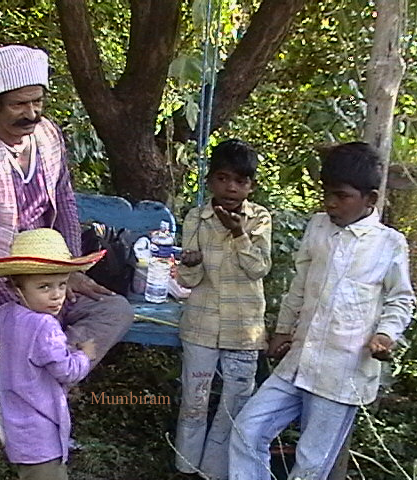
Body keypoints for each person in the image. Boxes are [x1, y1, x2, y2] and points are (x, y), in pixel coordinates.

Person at [228, 142, 415, 480]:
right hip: (299, 361)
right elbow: (300, 284)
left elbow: (401, 299)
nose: (330, 203)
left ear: (370, 199)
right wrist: (284, 329)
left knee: (311, 464)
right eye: (326, 193)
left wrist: (386, 334)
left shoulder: (389, 244)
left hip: (340, 373)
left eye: (341, 196)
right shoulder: (318, 227)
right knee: (247, 429)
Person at [0, 45, 134, 371]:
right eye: (18, 104)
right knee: (20, 337)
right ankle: (41, 370)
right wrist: (28, 314)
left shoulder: (48, 136)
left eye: (37, 101)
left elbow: (66, 203)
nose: (31, 113)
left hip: (50, 281)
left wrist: (69, 271)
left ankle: (52, 368)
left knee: (116, 310)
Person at [174, 139, 273, 480]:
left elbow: (259, 268)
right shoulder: (196, 218)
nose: (231, 188)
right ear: (209, 180)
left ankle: (213, 473)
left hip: (244, 331)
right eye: (223, 178)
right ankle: (185, 469)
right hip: (200, 325)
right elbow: (189, 279)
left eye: (240, 181)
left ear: (251, 185)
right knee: (194, 404)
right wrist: (189, 263)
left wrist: (239, 235)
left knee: (233, 408)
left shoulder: (259, 218)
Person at [0, 228, 104, 480]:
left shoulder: (6, 315)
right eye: (44, 287)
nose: (56, 295)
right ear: (17, 288)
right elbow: (66, 371)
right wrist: (84, 356)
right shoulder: (45, 326)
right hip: (41, 431)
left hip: (17, 427)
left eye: (62, 285)